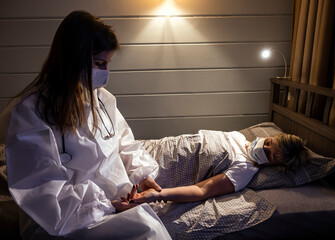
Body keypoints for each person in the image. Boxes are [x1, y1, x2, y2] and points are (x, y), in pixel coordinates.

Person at [2, 10, 170, 239]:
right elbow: (43, 191)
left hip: (112, 203)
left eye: (107, 64)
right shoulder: (31, 113)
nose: (105, 74)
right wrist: (104, 205)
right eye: (99, 63)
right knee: (146, 230)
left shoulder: (101, 99)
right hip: (66, 219)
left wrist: (140, 174)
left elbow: (123, 141)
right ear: (73, 58)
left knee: (149, 226)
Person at [130, 132, 310, 204]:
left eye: (270, 154)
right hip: (150, 148)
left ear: (273, 165)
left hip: (157, 169)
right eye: (269, 143)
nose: (264, 148)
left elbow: (202, 191)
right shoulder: (238, 136)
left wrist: (158, 195)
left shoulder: (245, 169)